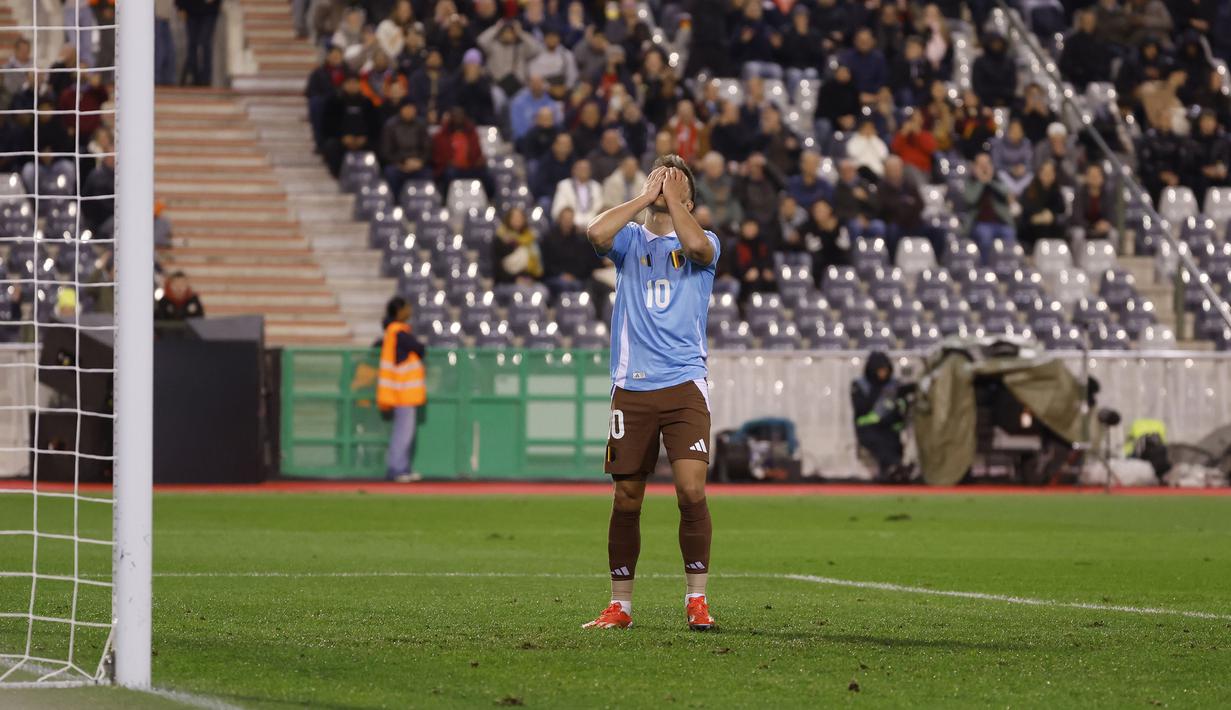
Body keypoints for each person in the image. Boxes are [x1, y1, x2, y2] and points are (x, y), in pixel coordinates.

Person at [582, 155, 721, 632]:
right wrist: (646, 198)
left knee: (690, 489)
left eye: (673, 183)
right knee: (626, 496)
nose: (662, 188)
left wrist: (677, 201)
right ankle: (620, 605)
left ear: (690, 198)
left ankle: (696, 599)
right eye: (656, 179)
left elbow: (698, 245)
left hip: (684, 384)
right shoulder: (629, 239)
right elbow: (595, 235)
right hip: (633, 386)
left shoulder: (706, 243)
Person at [376, 296, 426, 483]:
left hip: (400, 392)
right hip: (402, 392)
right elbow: (419, 349)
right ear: (399, 312)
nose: (409, 311)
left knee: (404, 433)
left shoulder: (392, 332)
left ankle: (402, 467)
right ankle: (397, 469)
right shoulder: (398, 332)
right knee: (403, 433)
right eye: (406, 308)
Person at [851, 351, 908, 482]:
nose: (883, 374)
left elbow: (899, 410)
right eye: (880, 370)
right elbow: (861, 408)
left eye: (885, 370)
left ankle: (894, 470)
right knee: (879, 442)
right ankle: (893, 467)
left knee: (893, 442)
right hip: (867, 429)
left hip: (888, 427)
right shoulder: (860, 385)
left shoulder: (894, 386)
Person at [964, 152, 1016, 259]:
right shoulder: (970, 182)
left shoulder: (998, 181)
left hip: (1001, 223)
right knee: (985, 236)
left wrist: (989, 181)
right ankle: (986, 267)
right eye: (981, 165)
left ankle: (1007, 266)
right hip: (980, 223)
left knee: (1009, 234)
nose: (984, 168)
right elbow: (970, 199)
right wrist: (981, 182)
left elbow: (1007, 196)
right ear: (974, 167)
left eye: (986, 164)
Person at [379, 97, 431, 194]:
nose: (409, 111)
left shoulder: (421, 125)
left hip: (417, 164)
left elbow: (427, 148)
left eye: (412, 108)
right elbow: (386, 151)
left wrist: (420, 161)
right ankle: (394, 203)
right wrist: (402, 162)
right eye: (407, 108)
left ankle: (424, 202)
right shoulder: (390, 125)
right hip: (397, 164)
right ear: (401, 109)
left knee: (427, 173)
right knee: (390, 173)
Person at [1017, 160, 1067, 249]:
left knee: (1060, 226)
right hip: (1032, 223)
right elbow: (1027, 208)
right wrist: (1040, 215)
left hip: (1051, 223)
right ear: (1039, 173)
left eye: (1050, 172)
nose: (1048, 175)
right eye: (1045, 172)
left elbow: (1061, 208)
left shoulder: (1057, 191)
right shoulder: (1030, 190)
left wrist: (1050, 215)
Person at [728, 218, 776, 300]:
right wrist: (745, 274)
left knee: (770, 280)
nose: (750, 229)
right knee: (753, 281)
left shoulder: (763, 243)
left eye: (753, 226)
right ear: (742, 228)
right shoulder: (737, 245)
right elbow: (735, 265)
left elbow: (768, 260)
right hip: (742, 277)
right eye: (748, 226)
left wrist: (764, 270)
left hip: (760, 274)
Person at [492, 207, 543, 284]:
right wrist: (515, 280)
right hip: (507, 282)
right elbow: (498, 268)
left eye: (520, 217)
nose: (517, 220)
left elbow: (537, 267)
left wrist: (531, 279)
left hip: (529, 281)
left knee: (542, 291)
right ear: (508, 219)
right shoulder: (500, 239)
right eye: (514, 217)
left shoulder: (530, 239)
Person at [177, 0, 221, 86]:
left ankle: (206, 79)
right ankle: (194, 77)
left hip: (209, 10)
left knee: (205, 43)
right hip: (190, 9)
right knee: (192, 44)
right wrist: (180, 6)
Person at [552, 158, 603, 226]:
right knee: (566, 215)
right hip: (571, 222)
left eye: (586, 169)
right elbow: (559, 207)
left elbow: (599, 207)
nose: (583, 171)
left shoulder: (596, 186)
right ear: (573, 170)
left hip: (593, 221)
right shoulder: (564, 185)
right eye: (581, 168)